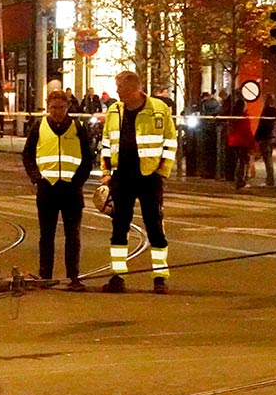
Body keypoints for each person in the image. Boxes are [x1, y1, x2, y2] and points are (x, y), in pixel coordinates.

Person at [100, 70, 177, 294]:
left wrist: (162, 172)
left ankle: (160, 277)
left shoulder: (158, 109)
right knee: (119, 227)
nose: (117, 92)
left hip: (148, 177)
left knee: (154, 226)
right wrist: (107, 172)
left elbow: (169, 142)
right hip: (121, 176)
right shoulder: (115, 110)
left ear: (134, 88)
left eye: (120, 88)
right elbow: (107, 143)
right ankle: (117, 276)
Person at [22, 88, 95, 291]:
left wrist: (78, 181)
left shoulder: (77, 128)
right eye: (53, 108)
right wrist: (37, 178)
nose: (57, 111)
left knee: (73, 236)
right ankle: (45, 275)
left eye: (61, 108)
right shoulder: (39, 127)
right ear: (48, 107)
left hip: (71, 190)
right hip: (47, 189)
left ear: (68, 107)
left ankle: (74, 276)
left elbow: (88, 158)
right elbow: (27, 154)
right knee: (46, 235)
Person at [225, 89, 255, 190]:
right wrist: (252, 143)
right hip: (242, 141)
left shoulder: (234, 118)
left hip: (234, 141)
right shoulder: (243, 118)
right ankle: (240, 181)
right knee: (242, 162)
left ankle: (238, 179)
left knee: (238, 160)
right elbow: (247, 131)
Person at [254, 93, 276, 187]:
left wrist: (256, 137)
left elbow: (261, 126)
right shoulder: (273, 111)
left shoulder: (265, 111)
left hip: (264, 137)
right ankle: (269, 179)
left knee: (267, 159)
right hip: (270, 137)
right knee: (268, 159)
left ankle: (270, 180)